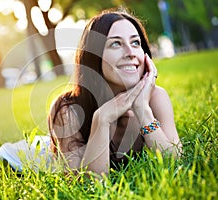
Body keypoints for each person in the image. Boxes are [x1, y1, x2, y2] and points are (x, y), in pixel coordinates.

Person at [48, 8, 182, 175]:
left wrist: (143, 110)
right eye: (116, 43)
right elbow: (87, 185)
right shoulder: (68, 109)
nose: (131, 53)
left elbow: (176, 163)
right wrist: (102, 119)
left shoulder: (156, 98)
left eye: (135, 43)